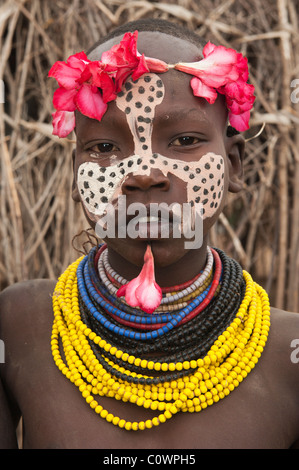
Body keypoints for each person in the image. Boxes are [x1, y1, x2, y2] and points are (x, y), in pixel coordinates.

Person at [0, 18, 298, 450]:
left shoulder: (287, 357)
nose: (144, 174)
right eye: (103, 147)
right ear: (75, 174)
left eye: (185, 140)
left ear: (235, 165)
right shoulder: (19, 328)